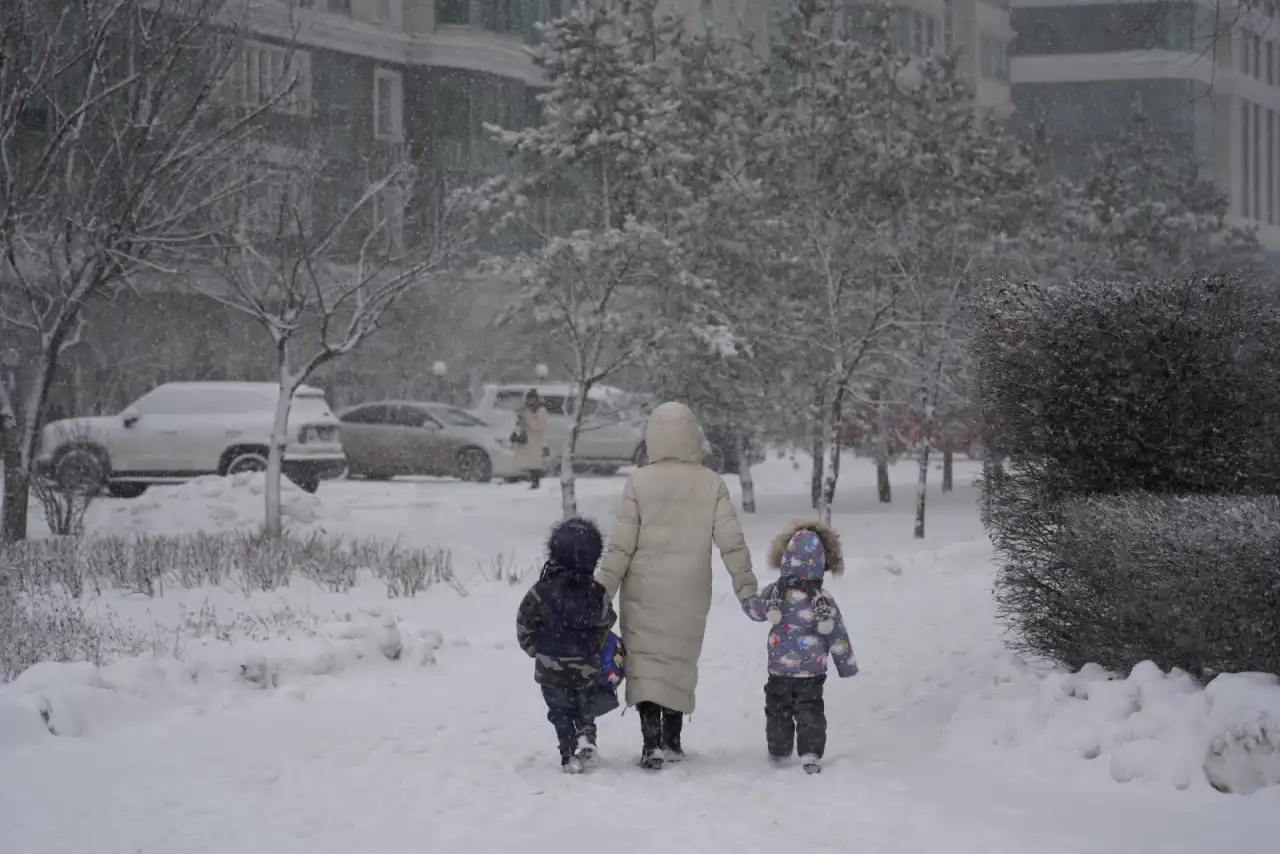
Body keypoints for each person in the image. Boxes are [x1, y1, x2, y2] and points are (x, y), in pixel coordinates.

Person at [596, 401, 759, 770]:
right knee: (677, 661)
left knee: (646, 663)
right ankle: (672, 739)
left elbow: (621, 544)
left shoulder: (639, 481)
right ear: (693, 437)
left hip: (643, 588)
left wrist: (602, 590)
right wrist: (746, 588)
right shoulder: (710, 483)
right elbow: (731, 541)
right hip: (688, 590)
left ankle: (650, 741)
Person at [742, 521, 859, 775]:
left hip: (779, 670)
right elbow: (837, 633)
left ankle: (780, 749)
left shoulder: (775, 593)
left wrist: (745, 599)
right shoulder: (823, 599)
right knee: (810, 710)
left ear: (785, 558)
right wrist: (846, 664)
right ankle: (810, 752)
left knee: (777, 709)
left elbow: (755, 611)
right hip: (812, 671)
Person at [516, 517, 620, 774]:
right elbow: (607, 620)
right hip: (586, 664)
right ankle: (586, 734)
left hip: (550, 667)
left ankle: (567, 753)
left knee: (560, 711)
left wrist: (536, 650)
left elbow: (524, 623)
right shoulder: (596, 592)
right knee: (585, 706)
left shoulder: (541, 591)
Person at [513, 390, 548, 489]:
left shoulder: (541, 411)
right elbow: (521, 424)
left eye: (532, 399)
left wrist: (527, 416)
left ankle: (535, 482)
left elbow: (537, 426)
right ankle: (527, 478)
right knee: (527, 461)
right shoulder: (527, 410)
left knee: (535, 463)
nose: (530, 402)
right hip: (528, 440)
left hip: (536, 440)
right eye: (529, 399)